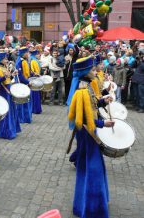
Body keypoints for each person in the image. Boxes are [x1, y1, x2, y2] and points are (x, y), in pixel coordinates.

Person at [67, 56, 114, 218]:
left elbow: (92, 106)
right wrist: (103, 124)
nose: (96, 71)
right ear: (85, 72)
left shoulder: (87, 88)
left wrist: (102, 101)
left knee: (91, 168)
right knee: (92, 169)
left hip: (90, 132)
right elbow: (84, 119)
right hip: (88, 133)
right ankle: (91, 208)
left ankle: (86, 204)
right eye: (93, 69)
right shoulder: (81, 91)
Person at [0, 52, 21, 139]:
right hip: (3, 91)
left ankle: (12, 129)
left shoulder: (5, 68)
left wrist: (12, 75)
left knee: (11, 110)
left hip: (8, 91)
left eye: (6, 58)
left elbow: (8, 80)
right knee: (6, 112)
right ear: (0, 59)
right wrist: (4, 77)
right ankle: (5, 132)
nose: (6, 60)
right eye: (4, 59)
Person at [15, 47, 32, 123]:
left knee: (26, 101)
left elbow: (27, 72)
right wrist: (27, 82)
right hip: (22, 84)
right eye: (27, 52)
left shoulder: (24, 61)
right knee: (22, 102)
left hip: (25, 83)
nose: (28, 54)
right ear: (23, 54)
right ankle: (21, 118)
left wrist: (33, 74)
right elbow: (20, 76)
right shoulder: (19, 62)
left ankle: (25, 117)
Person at [30, 50, 42, 114]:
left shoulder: (36, 61)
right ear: (35, 55)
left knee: (36, 94)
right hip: (35, 79)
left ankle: (36, 109)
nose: (39, 55)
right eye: (38, 54)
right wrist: (36, 74)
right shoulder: (33, 61)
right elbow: (32, 71)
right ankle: (35, 109)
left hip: (37, 78)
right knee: (35, 94)